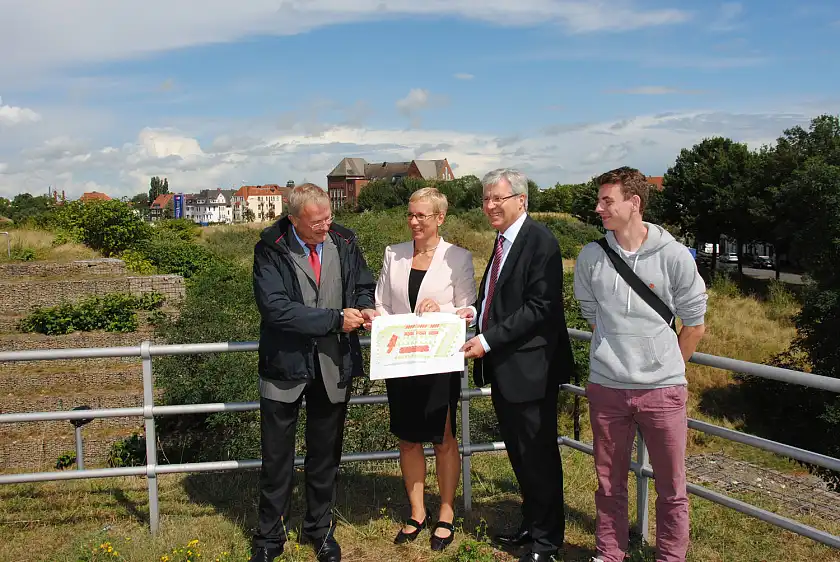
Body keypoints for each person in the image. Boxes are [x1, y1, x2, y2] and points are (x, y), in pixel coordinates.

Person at [573, 167, 707, 562]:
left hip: (662, 391)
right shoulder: (592, 256)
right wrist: (616, 354)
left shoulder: (674, 256)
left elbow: (694, 325)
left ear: (634, 203)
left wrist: (665, 368)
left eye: (607, 201)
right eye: (598, 200)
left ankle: (670, 557)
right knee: (608, 484)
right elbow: (592, 314)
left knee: (672, 488)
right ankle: (609, 553)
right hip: (607, 387)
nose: (598, 208)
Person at [249, 183, 377, 562]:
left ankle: (320, 532)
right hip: (284, 367)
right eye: (316, 222)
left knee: (325, 457)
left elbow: (363, 286)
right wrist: (336, 320)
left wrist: (365, 308)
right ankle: (269, 538)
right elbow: (276, 309)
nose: (325, 227)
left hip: (333, 366)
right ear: (293, 220)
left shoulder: (345, 242)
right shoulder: (269, 249)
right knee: (276, 459)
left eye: (328, 218)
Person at [457, 168, 575, 562]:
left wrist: (486, 340)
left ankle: (547, 542)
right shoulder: (504, 240)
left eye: (498, 198)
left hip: (532, 370)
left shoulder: (540, 241)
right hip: (508, 369)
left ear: (521, 200)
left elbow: (540, 307)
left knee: (538, 457)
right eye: (485, 199)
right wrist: (473, 312)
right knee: (521, 455)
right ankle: (532, 523)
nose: (489, 205)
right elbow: (498, 298)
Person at [371, 187, 476, 551]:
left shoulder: (458, 257)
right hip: (401, 360)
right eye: (410, 214)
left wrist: (441, 311)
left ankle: (446, 511)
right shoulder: (393, 253)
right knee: (407, 438)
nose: (414, 221)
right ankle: (417, 512)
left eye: (421, 215)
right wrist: (383, 321)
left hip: (439, 362)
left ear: (440, 218)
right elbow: (381, 303)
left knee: (443, 438)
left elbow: (470, 309)